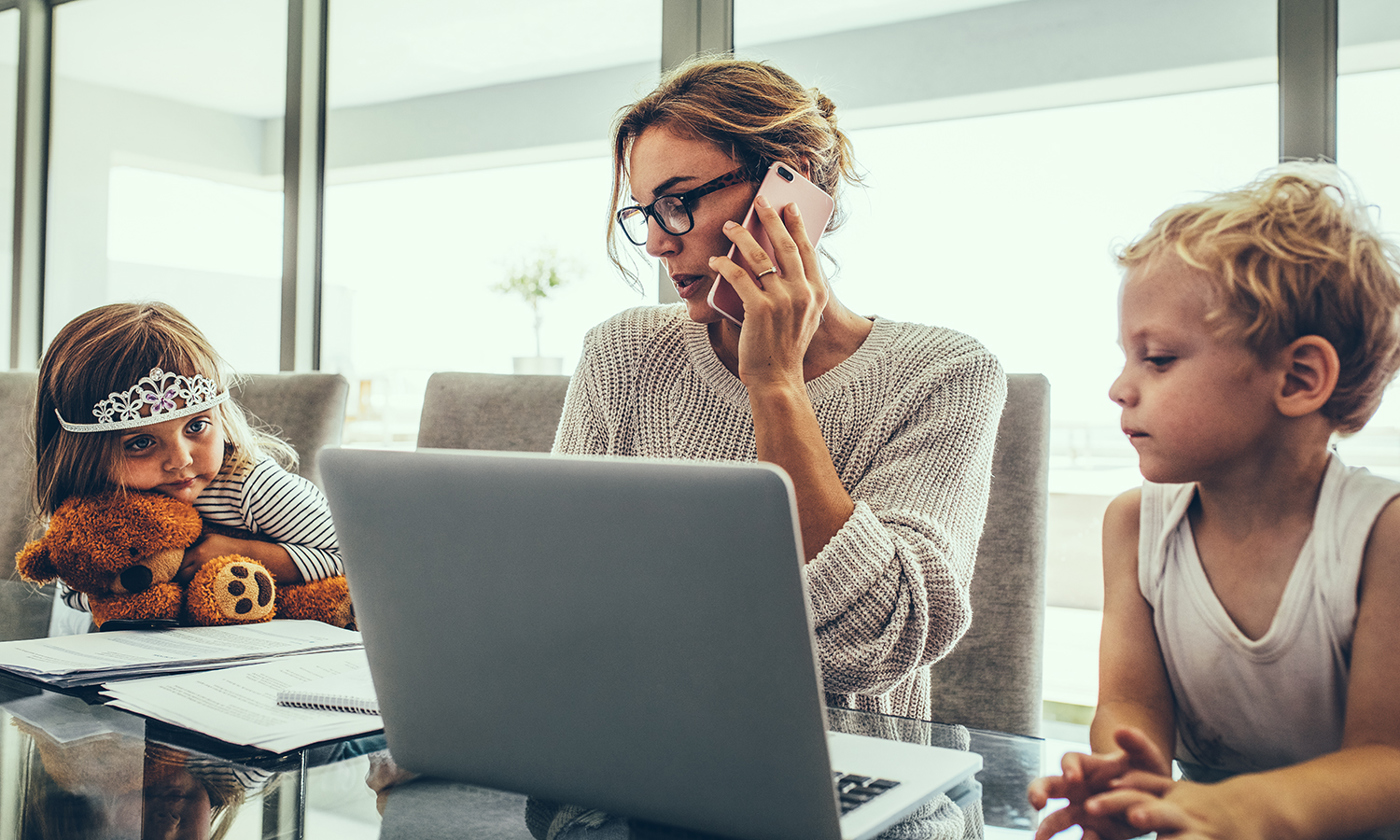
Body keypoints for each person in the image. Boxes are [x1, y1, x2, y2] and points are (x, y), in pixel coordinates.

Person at [558, 54, 1006, 723]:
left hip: (844, 783)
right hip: (635, 751)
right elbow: (562, 590)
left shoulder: (944, 373)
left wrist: (775, 384)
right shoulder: (624, 352)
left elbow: (871, 644)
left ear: (788, 184)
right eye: (645, 211)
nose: (655, 242)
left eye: (677, 203)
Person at [1028, 164, 1400, 840]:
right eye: (1126, 357)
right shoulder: (1136, 523)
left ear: (1298, 377)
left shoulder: (1382, 535)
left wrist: (1229, 810)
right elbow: (1130, 701)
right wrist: (1125, 777)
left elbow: (1387, 762)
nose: (1119, 387)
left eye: (1159, 359)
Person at [33, 302, 342, 622]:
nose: (181, 460)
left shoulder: (253, 486)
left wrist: (241, 554)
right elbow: (74, 590)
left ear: (220, 417)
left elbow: (355, 557)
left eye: (196, 426)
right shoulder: (93, 506)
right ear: (82, 454)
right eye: (140, 443)